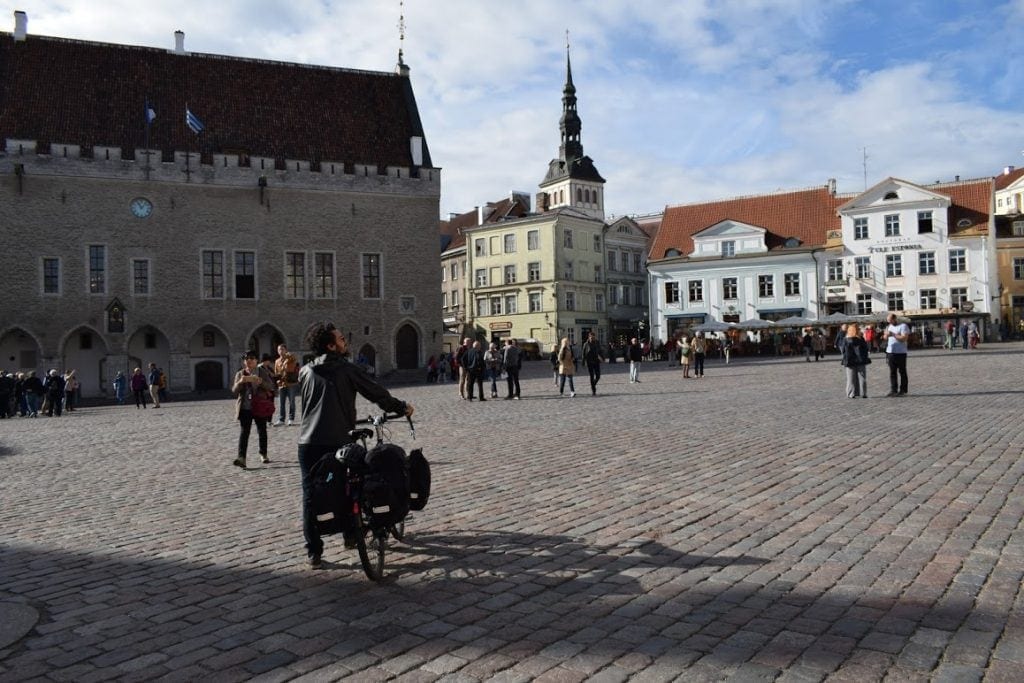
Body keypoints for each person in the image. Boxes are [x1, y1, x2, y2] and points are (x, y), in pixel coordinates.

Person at [297, 321, 413, 568]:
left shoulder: (305, 371)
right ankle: (351, 535)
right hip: (338, 438)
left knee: (310, 495)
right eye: (340, 339)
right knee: (350, 487)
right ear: (331, 345)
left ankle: (314, 552)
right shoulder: (345, 369)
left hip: (307, 442)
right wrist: (401, 407)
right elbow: (375, 392)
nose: (344, 342)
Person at [231, 350, 275, 468]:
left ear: (256, 361)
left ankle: (263, 453)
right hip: (245, 407)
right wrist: (240, 382)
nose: (248, 360)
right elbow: (234, 391)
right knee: (244, 433)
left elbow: (271, 386)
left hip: (259, 406)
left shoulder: (262, 372)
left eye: (251, 358)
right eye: (246, 359)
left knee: (262, 430)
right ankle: (242, 458)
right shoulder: (240, 374)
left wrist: (260, 381)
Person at [841, 323, 871, 398]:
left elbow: (843, 350)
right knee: (862, 377)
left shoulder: (846, 339)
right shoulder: (860, 339)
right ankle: (864, 393)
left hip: (849, 360)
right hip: (861, 360)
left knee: (850, 378)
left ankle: (851, 393)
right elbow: (866, 348)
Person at [274, 343, 300, 425]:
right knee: (281, 403)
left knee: (291, 402)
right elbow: (276, 373)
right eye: (279, 349)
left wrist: (289, 355)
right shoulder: (277, 361)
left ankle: (291, 419)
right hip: (282, 384)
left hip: (291, 384)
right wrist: (277, 380)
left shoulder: (291, 358)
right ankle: (281, 419)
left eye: (282, 349)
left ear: (285, 350)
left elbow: (295, 358)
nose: (280, 351)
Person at [884, 313, 909, 397]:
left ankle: (903, 390)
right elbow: (885, 337)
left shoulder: (903, 326)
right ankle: (893, 390)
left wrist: (893, 334)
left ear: (895, 319)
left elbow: (904, 338)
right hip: (890, 352)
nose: (889, 323)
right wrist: (886, 335)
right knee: (892, 372)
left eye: (890, 321)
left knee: (902, 371)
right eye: (888, 321)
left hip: (901, 352)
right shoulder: (889, 326)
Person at [582, 331, 604, 396]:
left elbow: (600, 351)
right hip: (589, 362)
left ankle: (593, 384)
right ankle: (593, 390)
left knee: (598, 376)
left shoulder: (597, 343)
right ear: (589, 337)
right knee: (591, 376)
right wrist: (583, 362)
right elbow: (583, 354)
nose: (592, 339)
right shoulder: (586, 344)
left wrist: (602, 357)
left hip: (596, 361)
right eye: (591, 337)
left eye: (593, 337)